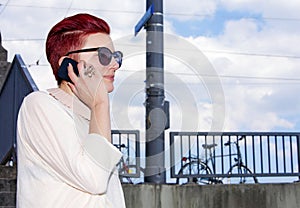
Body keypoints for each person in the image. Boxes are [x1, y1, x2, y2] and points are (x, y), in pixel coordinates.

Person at [16, 13, 126, 208]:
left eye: (116, 57)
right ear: (68, 65)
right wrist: (101, 103)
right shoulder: (39, 105)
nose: (115, 64)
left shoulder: (91, 119)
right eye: (103, 55)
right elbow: (94, 179)